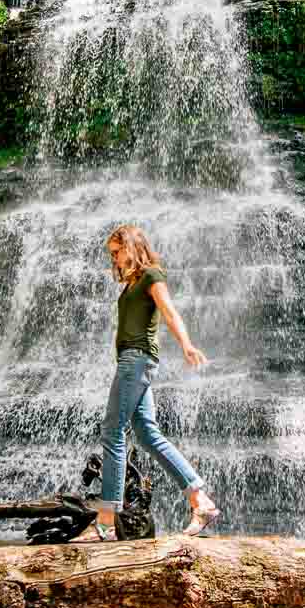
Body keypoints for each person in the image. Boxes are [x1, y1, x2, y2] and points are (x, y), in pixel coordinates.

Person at [72, 224, 221, 541]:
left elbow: (169, 312)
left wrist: (187, 345)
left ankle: (107, 521)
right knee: (147, 433)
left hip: (135, 361)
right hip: (133, 361)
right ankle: (201, 501)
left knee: (112, 431)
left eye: (116, 251)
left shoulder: (152, 275)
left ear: (131, 245)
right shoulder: (131, 283)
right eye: (110, 254)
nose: (113, 258)